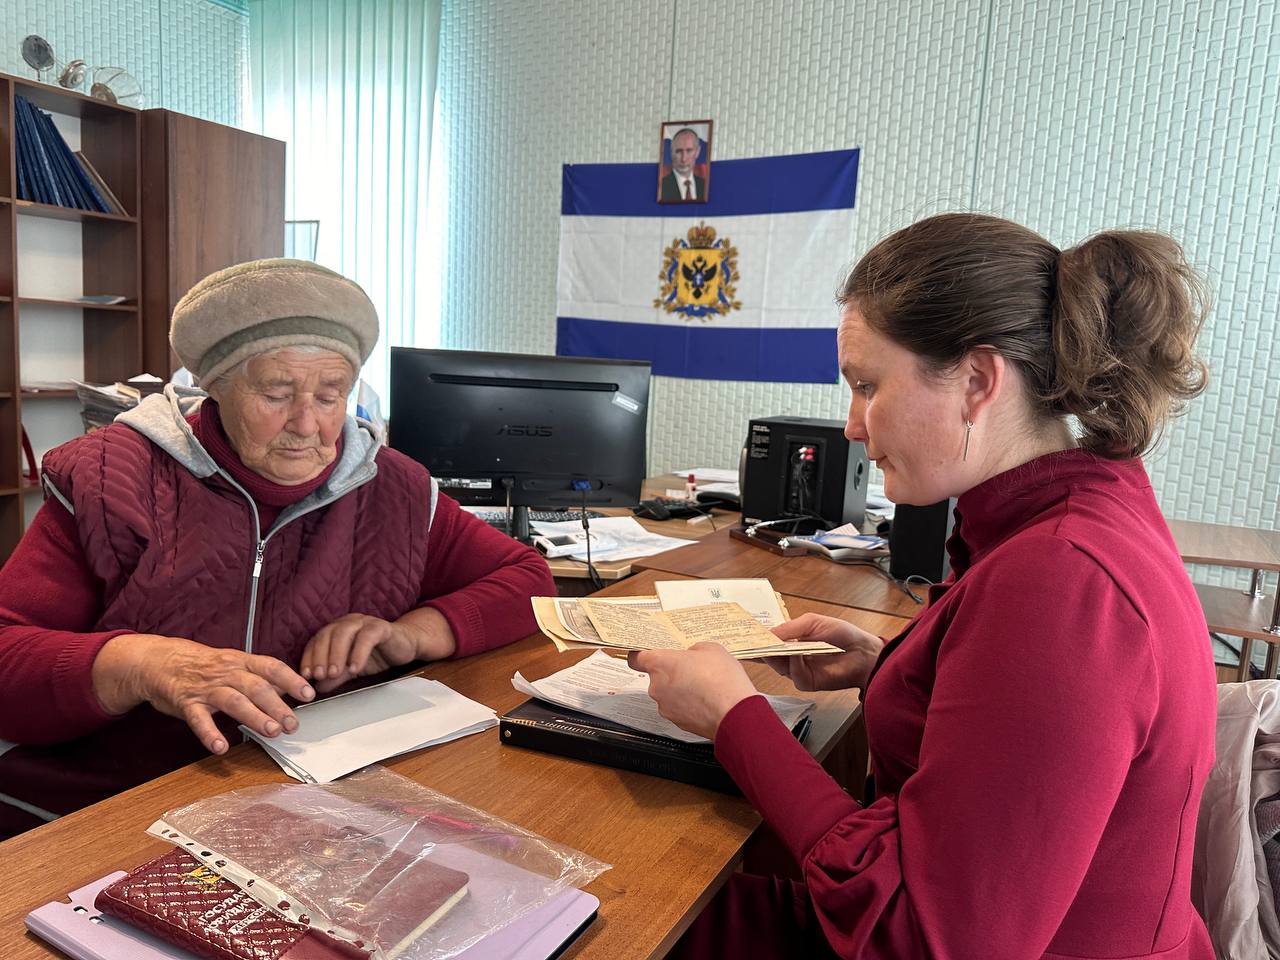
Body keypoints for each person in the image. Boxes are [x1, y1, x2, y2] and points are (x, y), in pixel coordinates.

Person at [634, 214, 1218, 958]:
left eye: (867, 385)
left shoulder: (1062, 581)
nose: (851, 425)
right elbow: (1034, 741)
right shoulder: (1088, 510)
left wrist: (733, 718)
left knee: (629, 909)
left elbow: (924, 941)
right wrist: (893, 673)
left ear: (977, 381)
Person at [0, 258, 554, 839]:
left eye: (330, 394)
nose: (307, 424)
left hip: (314, 809)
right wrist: (138, 664)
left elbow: (528, 580)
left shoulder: (391, 489)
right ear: (213, 386)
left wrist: (410, 634)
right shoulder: (113, 479)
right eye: (276, 392)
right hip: (119, 808)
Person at [660, 128, 706, 201]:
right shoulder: (661, 187)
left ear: (697, 152)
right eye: (678, 151)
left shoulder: (705, 186)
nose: (684, 159)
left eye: (689, 151)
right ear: (671, 153)